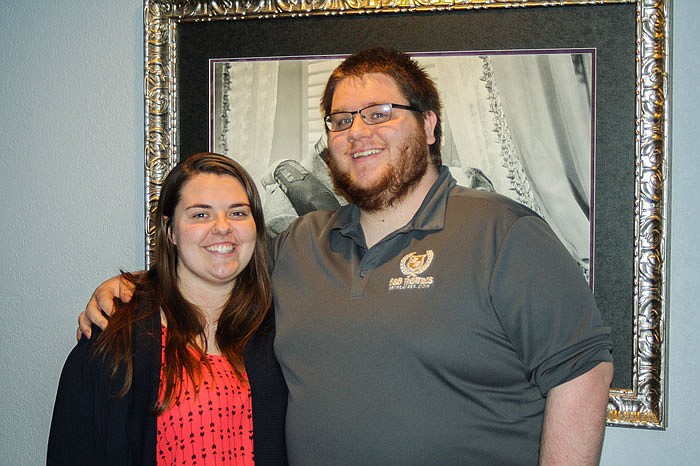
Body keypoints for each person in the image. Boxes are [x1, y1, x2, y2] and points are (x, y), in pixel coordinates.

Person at [79, 48, 613, 465]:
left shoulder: (505, 232)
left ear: (429, 125)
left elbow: (582, 372)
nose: (357, 133)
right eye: (340, 120)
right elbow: (217, 257)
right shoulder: (300, 243)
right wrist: (132, 287)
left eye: (379, 113)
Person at [50, 153, 287, 465]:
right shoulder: (114, 336)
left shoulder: (281, 328)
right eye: (200, 215)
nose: (222, 228)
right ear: (170, 230)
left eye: (238, 213)